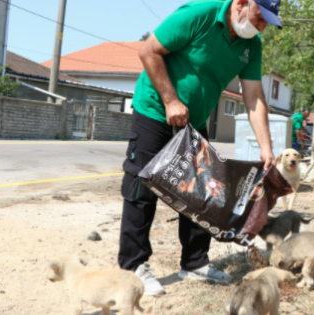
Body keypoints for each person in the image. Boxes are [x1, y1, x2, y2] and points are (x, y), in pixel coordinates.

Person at [118, 0, 282, 295]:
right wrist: (170, 100)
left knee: (204, 189)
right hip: (156, 109)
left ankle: (194, 262)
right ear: (241, 3)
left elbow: (254, 96)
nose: (262, 27)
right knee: (141, 188)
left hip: (193, 119)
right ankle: (134, 265)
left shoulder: (252, 45)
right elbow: (148, 51)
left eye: (268, 22)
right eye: (260, 18)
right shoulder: (200, 14)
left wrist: (267, 148)